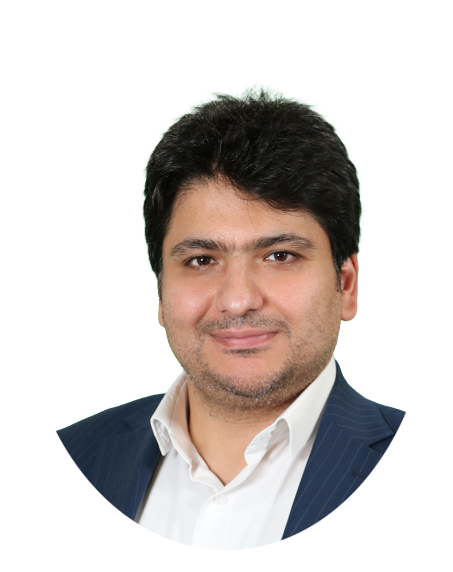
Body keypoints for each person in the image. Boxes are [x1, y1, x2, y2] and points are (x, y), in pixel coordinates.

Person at [55, 88, 406, 550]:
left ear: (345, 285)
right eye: (201, 260)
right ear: (160, 292)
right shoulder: (54, 468)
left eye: (280, 255)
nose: (238, 301)